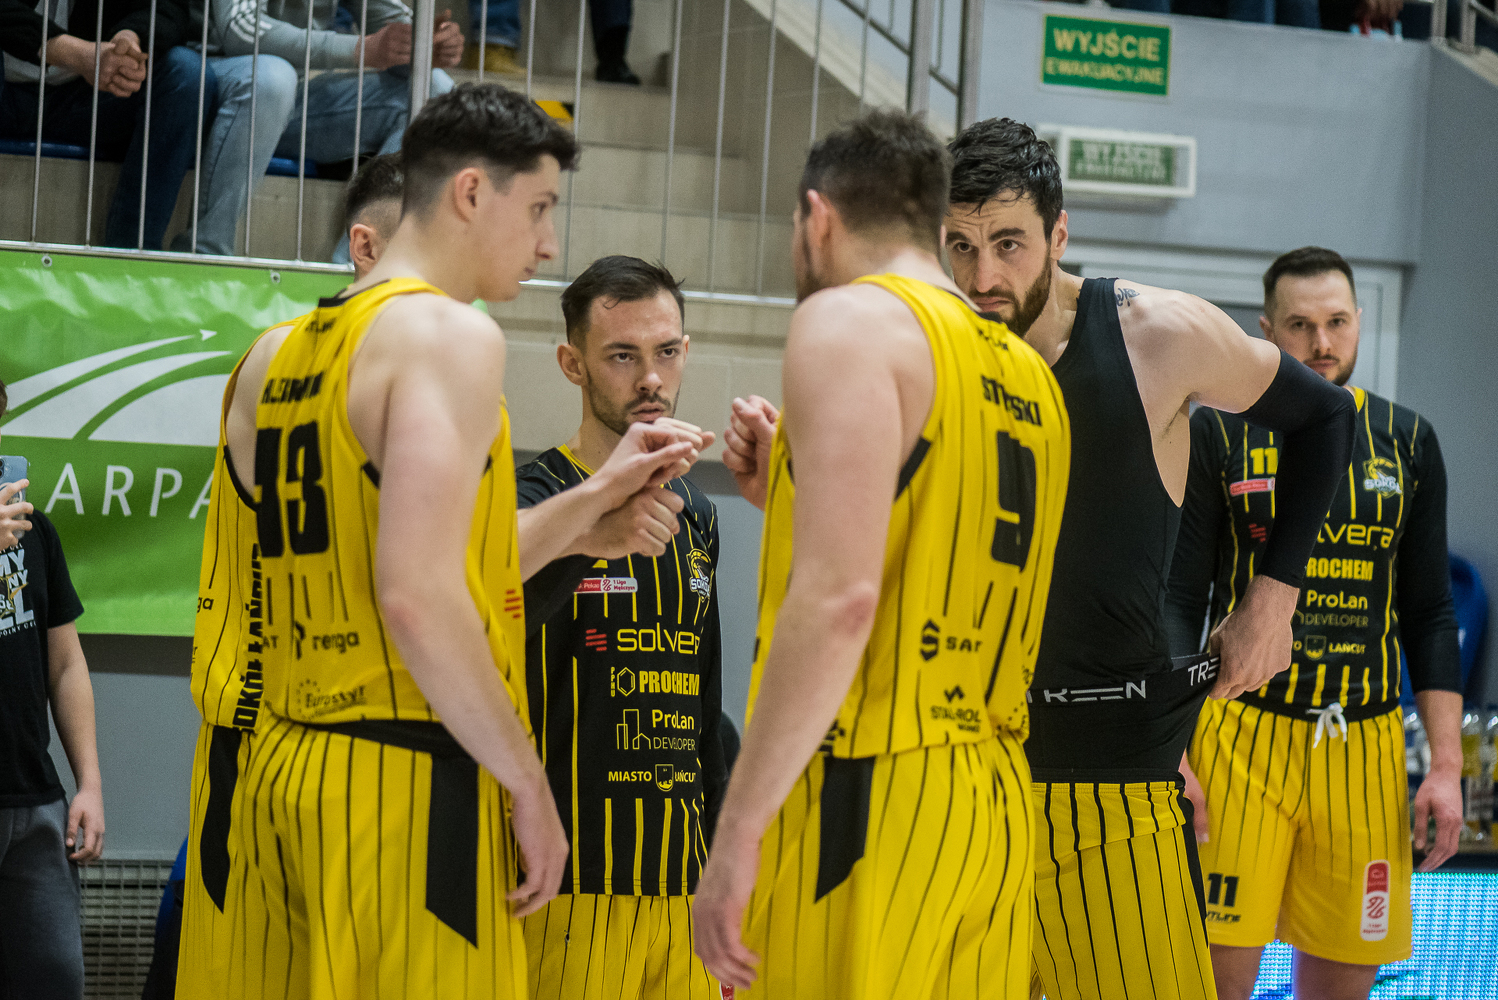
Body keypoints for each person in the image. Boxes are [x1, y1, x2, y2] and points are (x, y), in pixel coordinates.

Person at [212, 82, 697, 997]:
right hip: (402, 777)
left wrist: (591, 507)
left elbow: (411, 552)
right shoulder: (448, 336)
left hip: (282, 765)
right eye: (540, 207)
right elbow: (418, 593)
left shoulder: (287, 348)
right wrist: (527, 781)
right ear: (472, 193)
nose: (548, 242)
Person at [942, 118, 1357, 1000]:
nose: (984, 278)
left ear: (1058, 233)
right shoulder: (926, 352)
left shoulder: (1155, 333)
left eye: (1009, 244)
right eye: (962, 247)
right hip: (965, 773)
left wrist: (1271, 602)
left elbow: (1326, 417)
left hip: (1113, 782)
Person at [693, 109, 1072, 999]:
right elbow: (927, 539)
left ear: (817, 218)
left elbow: (841, 603)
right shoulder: (1029, 375)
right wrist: (792, 486)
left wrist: (737, 829)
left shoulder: (850, 321)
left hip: (869, 789)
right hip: (993, 801)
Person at [1165, 247, 1465, 1000]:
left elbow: (1430, 613)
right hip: (1238, 736)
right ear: (1267, 331)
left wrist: (1447, 767)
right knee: (1213, 983)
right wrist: (1170, 749)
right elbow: (1179, 600)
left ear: (1359, 322)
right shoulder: (1220, 434)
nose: (1322, 342)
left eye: (1336, 322)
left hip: (1364, 746)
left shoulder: (1409, 441)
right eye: (1300, 325)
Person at [174, 149, 403, 997]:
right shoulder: (288, 358)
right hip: (261, 737)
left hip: (364, 755)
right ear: (365, 248)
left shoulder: (418, 374)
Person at [514, 255, 727, 999]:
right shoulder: (534, 499)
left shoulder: (698, 513)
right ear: (573, 364)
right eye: (622, 356)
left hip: (683, 887)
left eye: (665, 352)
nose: (650, 379)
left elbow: (705, 706)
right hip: (569, 884)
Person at [177, 0, 462, 256]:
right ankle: (203, 254)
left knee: (435, 88)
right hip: (215, 86)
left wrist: (424, 45)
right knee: (273, 78)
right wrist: (361, 48)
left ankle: (355, 268)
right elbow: (240, 28)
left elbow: (393, 25)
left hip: (295, 95)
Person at [0, 379, 105, 1000]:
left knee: (56, 980)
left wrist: (88, 782)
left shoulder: (34, 530)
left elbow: (65, 664)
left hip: (35, 803)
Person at [0, 0, 215, 250]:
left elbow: (168, 8)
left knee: (186, 74)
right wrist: (76, 53)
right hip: (9, 89)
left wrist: (131, 38)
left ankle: (130, 256)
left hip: (85, 95)